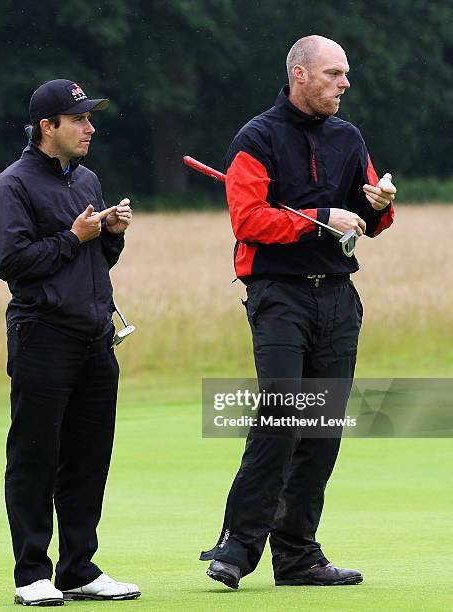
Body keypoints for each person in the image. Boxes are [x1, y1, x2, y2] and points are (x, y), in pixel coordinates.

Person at [200, 36, 395, 589]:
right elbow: (249, 221)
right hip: (278, 294)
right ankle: (238, 546)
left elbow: (367, 216)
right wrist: (318, 217)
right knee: (283, 415)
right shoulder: (256, 138)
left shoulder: (348, 137)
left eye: (346, 74)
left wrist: (377, 207)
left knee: (322, 429)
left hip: (336, 295)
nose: (345, 84)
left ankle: (298, 556)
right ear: (300, 74)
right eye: (334, 74)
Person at [0, 79, 140, 606]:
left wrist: (109, 234)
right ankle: (32, 574)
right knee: (35, 457)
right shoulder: (12, 186)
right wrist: (75, 237)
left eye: (89, 118)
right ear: (47, 127)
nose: (89, 127)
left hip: (96, 339)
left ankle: (79, 569)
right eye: (78, 120)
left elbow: (95, 263)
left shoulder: (87, 180)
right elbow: (13, 265)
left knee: (88, 457)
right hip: (42, 337)